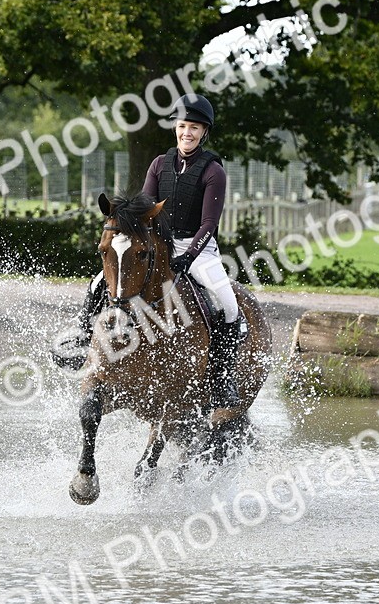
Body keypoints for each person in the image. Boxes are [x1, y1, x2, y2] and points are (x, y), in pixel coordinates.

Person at [52, 93, 247, 408]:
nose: (188, 133)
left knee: (228, 306)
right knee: (97, 283)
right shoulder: (159, 164)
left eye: (195, 128)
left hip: (198, 248)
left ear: (204, 132)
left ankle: (221, 378)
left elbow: (209, 223)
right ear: (176, 128)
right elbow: (143, 210)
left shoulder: (214, 172)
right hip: (157, 246)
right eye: (183, 126)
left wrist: (188, 257)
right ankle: (81, 339)